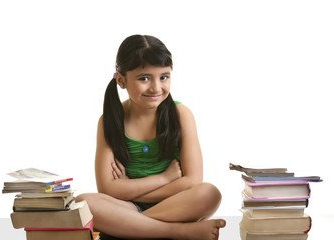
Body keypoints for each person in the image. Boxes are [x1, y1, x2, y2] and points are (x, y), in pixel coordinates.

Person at [76, 34, 226, 240]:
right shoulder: (109, 121)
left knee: (209, 193)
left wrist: (126, 188)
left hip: (176, 203)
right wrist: (164, 178)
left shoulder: (181, 115)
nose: (156, 87)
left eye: (164, 77)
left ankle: (130, 227)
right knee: (84, 202)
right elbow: (107, 189)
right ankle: (177, 231)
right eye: (144, 78)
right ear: (121, 80)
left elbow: (192, 181)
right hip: (126, 205)